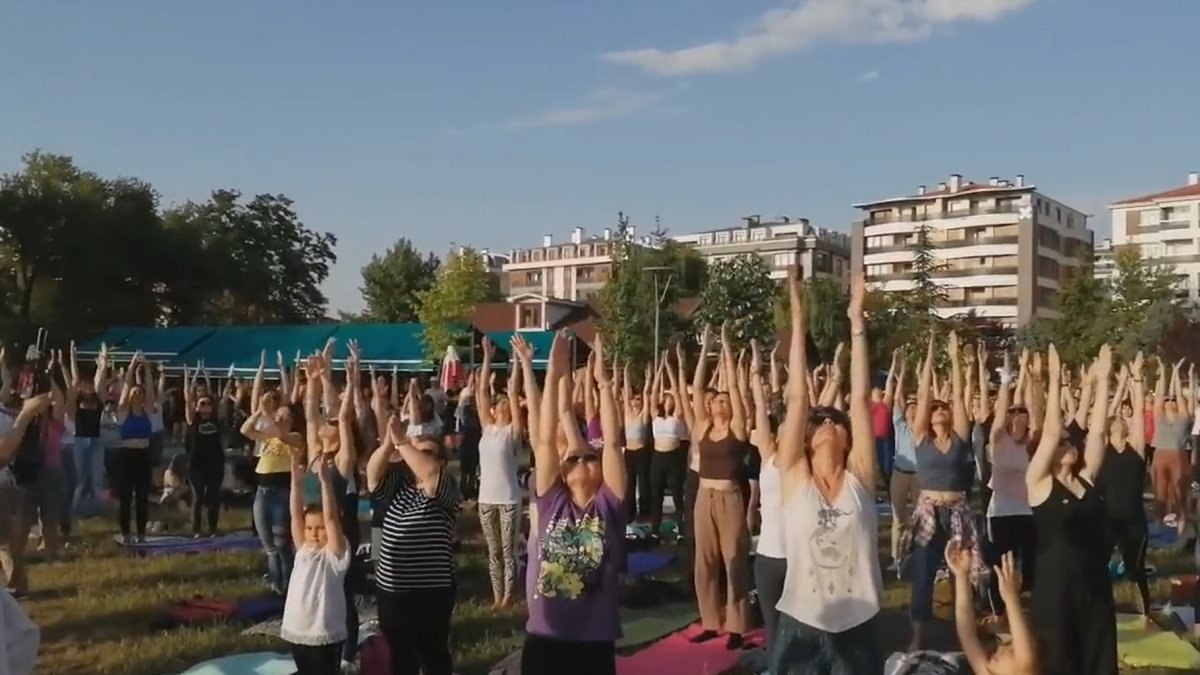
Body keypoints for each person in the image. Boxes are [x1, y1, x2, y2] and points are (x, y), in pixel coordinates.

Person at [771, 274, 883, 675]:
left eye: (836, 421)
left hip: (858, 624)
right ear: (805, 436)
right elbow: (799, 395)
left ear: (849, 436)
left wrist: (856, 320)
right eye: (818, 422)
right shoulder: (795, 477)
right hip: (800, 623)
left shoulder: (860, 478)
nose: (827, 424)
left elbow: (859, 395)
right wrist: (798, 316)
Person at [521, 331, 625, 675]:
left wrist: (605, 384)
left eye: (588, 457)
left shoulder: (608, 505)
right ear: (562, 474)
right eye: (574, 458)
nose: (581, 460)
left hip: (593, 642)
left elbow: (611, 443)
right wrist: (552, 375)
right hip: (545, 638)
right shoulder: (551, 501)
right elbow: (546, 440)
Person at [1026, 343, 1117, 675]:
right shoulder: (1038, 483)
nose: (1069, 445)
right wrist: (1053, 381)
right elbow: (1049, 432)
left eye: (1070, 441)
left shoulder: (1087, 479)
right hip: (1056, 593)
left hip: (1094, 589)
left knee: (1099, 662)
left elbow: (1099, 431)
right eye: (1063, 442)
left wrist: (1104, 382)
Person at [369, 379, 460, 675]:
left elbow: (430, 471)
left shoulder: (445, 485)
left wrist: (404, 443)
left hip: (431, 591)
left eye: (428, 451)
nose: (419, 457)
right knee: (401, 656)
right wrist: (388, 443)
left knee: (433, 652)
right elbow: (371, 475)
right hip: (393, 590)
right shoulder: (399, 485)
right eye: (417, 451)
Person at [903, 332, 983, 651]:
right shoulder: (921, 437)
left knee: (961, 576)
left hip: (957, 513)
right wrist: (931, 353)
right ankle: (917, 637)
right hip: (929, 513)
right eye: (933, 409)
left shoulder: (960, 438)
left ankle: (966, 636)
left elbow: (961, 396)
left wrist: (955, 361)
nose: (937, 410)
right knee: (923, 577)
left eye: (942, 408)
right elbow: (923, 396)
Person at [687, 323, 752, 650]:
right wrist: (707, 347)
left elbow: (738, 394)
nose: (720, 403)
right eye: (717, 400)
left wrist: (726, 350)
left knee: (734, 560)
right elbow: (698, 388)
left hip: (730, 498)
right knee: (705, 561)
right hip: (704, 497)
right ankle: (711, 621)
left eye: (725, 401)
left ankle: (737, 626)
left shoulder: (737, 429)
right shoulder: (702, 426)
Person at [281, 449, 349, 675]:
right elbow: (294, 516)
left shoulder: (335, 554)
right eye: (310, 528)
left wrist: (325, 483)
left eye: (319, 529)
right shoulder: (303, 549)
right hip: (298, 627)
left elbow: (330, 518)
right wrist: (296, 483)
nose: (314, 533)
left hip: (324, 631)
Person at [1096, 355, 1151, 618]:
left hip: (1133, 520)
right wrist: (1116, 385)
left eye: (1121, 417)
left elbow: (1139, 411)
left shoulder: (1136, 448)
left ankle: (1144, 615)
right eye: (1115, 417)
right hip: (1106, 519)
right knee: (1097, 566)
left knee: (1136, 570)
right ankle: (1098, 610)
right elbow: (1104, 414)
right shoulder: (1101, 449)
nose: (1119, 417)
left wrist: (1136, 378)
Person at [983, 350, 1036, 614]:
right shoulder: (999, 440)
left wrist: (1029, 374)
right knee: (1000, 563)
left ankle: (1027, 608)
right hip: (1001, 512)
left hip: (1028, 511)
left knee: (1031, 564)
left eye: (1022, 413)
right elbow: (1002, 408)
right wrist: (1006, 378)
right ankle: (997, 611)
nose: (1017, 415)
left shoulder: (1032, 444)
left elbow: (1037, 414)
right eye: (1013, 413)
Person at [476, 337, 525, 609]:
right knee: (493, 550)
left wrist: (517, 363)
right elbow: (482, 392)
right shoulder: (488, 428)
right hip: (486, 499)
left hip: (508, 499)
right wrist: (486, 357)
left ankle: (509, 594)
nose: (501, 405)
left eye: (506, 403)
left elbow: (515, 395)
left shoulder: (512, 433)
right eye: (499, 404)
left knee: (508, 550)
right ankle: (497, 595)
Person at [242, 396, 306, 595]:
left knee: (282, 542)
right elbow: (246, 430)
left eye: (286, 416)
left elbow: (283, 434)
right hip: (263, 491)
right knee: (268, 542)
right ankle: (276, 585)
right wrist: (259, 412)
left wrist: (269, 416)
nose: (280, 418)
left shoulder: (296, 437)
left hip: (282, 491)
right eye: (279, 415)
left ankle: (288, 585)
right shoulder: (269, 436)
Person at [948, 549, 1037, 675]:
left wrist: (961, 576)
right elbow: (1026, 662)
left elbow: (967, 635)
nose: (1000, 650)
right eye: (1012, 651)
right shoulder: (1025, 667)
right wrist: (1011, 599)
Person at [112, 353, 158, 544]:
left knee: (142, 497)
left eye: (140, 392)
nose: (138, 395)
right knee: (125, 498)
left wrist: (146, 368)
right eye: (134, 392)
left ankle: (141, 534)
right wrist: (131, 366)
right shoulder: (123, 412)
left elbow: (150, 391)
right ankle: (126, 533)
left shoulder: (147, 410)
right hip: (126, 456)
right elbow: (125, 390)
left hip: (143, 456)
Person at [648, 358, 687, 540]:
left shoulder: (677, 416)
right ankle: (655, 529)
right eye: (667, 399)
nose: (670, 401)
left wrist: (670, 371)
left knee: (678, 494)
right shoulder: (656, 415)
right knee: (656, 495)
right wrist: (660, 370)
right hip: (658, 457)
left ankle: (680, 529)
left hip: (674, 457)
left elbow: (678, 392)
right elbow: (653, 393)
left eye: (672, 399)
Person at [182, 364, 224, 537]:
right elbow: (188, 397)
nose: (205, 406)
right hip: (196, 464)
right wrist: (190, 378)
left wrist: (207, 378)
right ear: (197, 406)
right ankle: (197, 530)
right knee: (198, 497)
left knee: (213, 497)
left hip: (215, 464)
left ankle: (213, 529)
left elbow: (219, 399)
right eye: (202, 404)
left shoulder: (217, 419)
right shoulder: (193, 420)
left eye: (208, 404)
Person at [1151, 356, 1190, 534]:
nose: (1168, 402)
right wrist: (1163, 371)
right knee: (1160, 492)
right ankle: (1159, 525)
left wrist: (1176, 373)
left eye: (1171, 401)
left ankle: (1181, 525)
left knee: (1179, 493)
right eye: (1167, 401)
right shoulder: (1160, 419)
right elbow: (1159, 396)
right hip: (1160, 455)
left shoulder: (1183, 419)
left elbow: (1180, 396)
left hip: (1177, 456)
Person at [622, 366, 652, 521]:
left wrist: (647, 381)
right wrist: (626, 375)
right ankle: (629, 513)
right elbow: (626, 394)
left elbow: (647, 396)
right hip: (629, 452)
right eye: (635, 398)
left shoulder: (643, 416)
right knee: (630, 484)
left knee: (643, 483)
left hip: (641, 452)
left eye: (638, 399)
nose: (636, 401)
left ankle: (644, 512)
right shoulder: (627, 413)